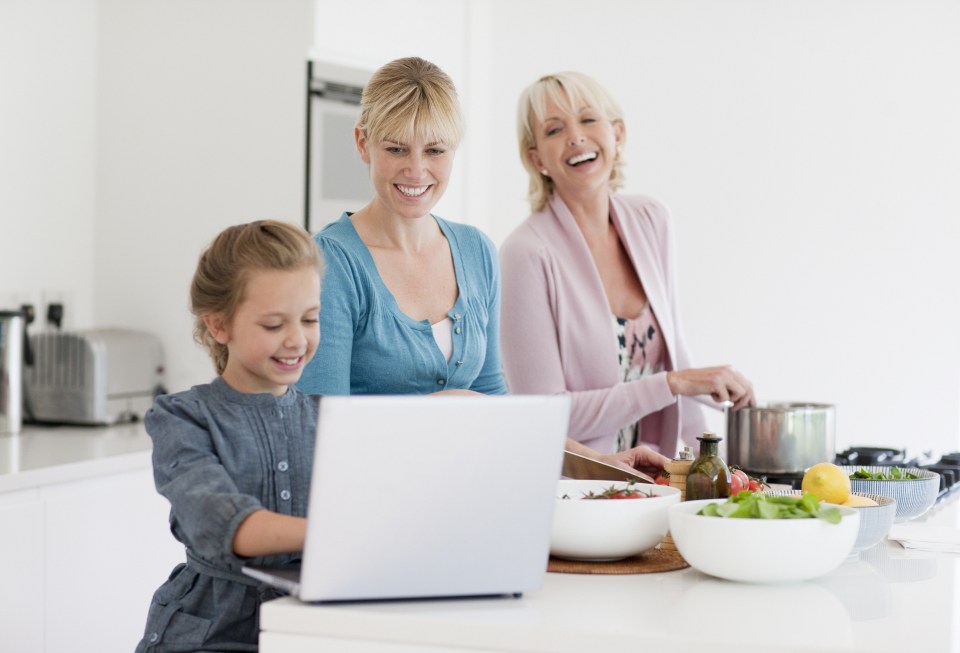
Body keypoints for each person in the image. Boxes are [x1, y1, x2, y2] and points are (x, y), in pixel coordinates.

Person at [500, 71, 755, 475]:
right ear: (537, 159)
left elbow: (674, 355)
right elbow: (544, 417)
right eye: (554, 129)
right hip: (578, 489)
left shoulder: (652, 220)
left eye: (587, 120)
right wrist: (671, 384)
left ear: (617, 134)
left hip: (658, 479)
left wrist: (710, 468)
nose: (576, 137)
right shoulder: (526, 254)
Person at [136, 220, 324, 652]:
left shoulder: (329, 419)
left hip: (310, 633)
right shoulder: (182, 418)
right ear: (219, 326)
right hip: (208, 636)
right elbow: (228, 524)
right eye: (274, 325)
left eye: (310, 318)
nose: (297, 339)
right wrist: (339, 532)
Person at [297, 57, 507, 397]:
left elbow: (492, 391)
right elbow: (321, 418)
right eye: (396, 149)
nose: (416, 170)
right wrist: (440, 407)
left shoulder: (477, 250)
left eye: (435, 150)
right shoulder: (329, 261)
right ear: (363, 144)